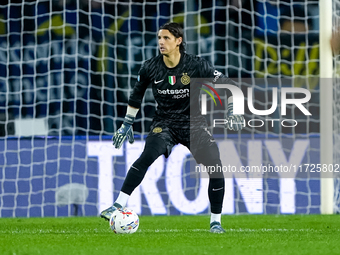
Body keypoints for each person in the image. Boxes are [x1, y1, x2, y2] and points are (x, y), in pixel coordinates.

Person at [100, 22, 244, 233]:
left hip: (193, 124)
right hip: (164, 123)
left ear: (178, 41)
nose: (160, 42)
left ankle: (215, 222)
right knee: (147, 155)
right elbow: (136, 97)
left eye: (166, 38)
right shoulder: (150, 67)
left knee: (215, 167)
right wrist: (127, 123)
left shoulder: (196, 65)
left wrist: (234, 109)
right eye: (159, 37)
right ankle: (118, 204)